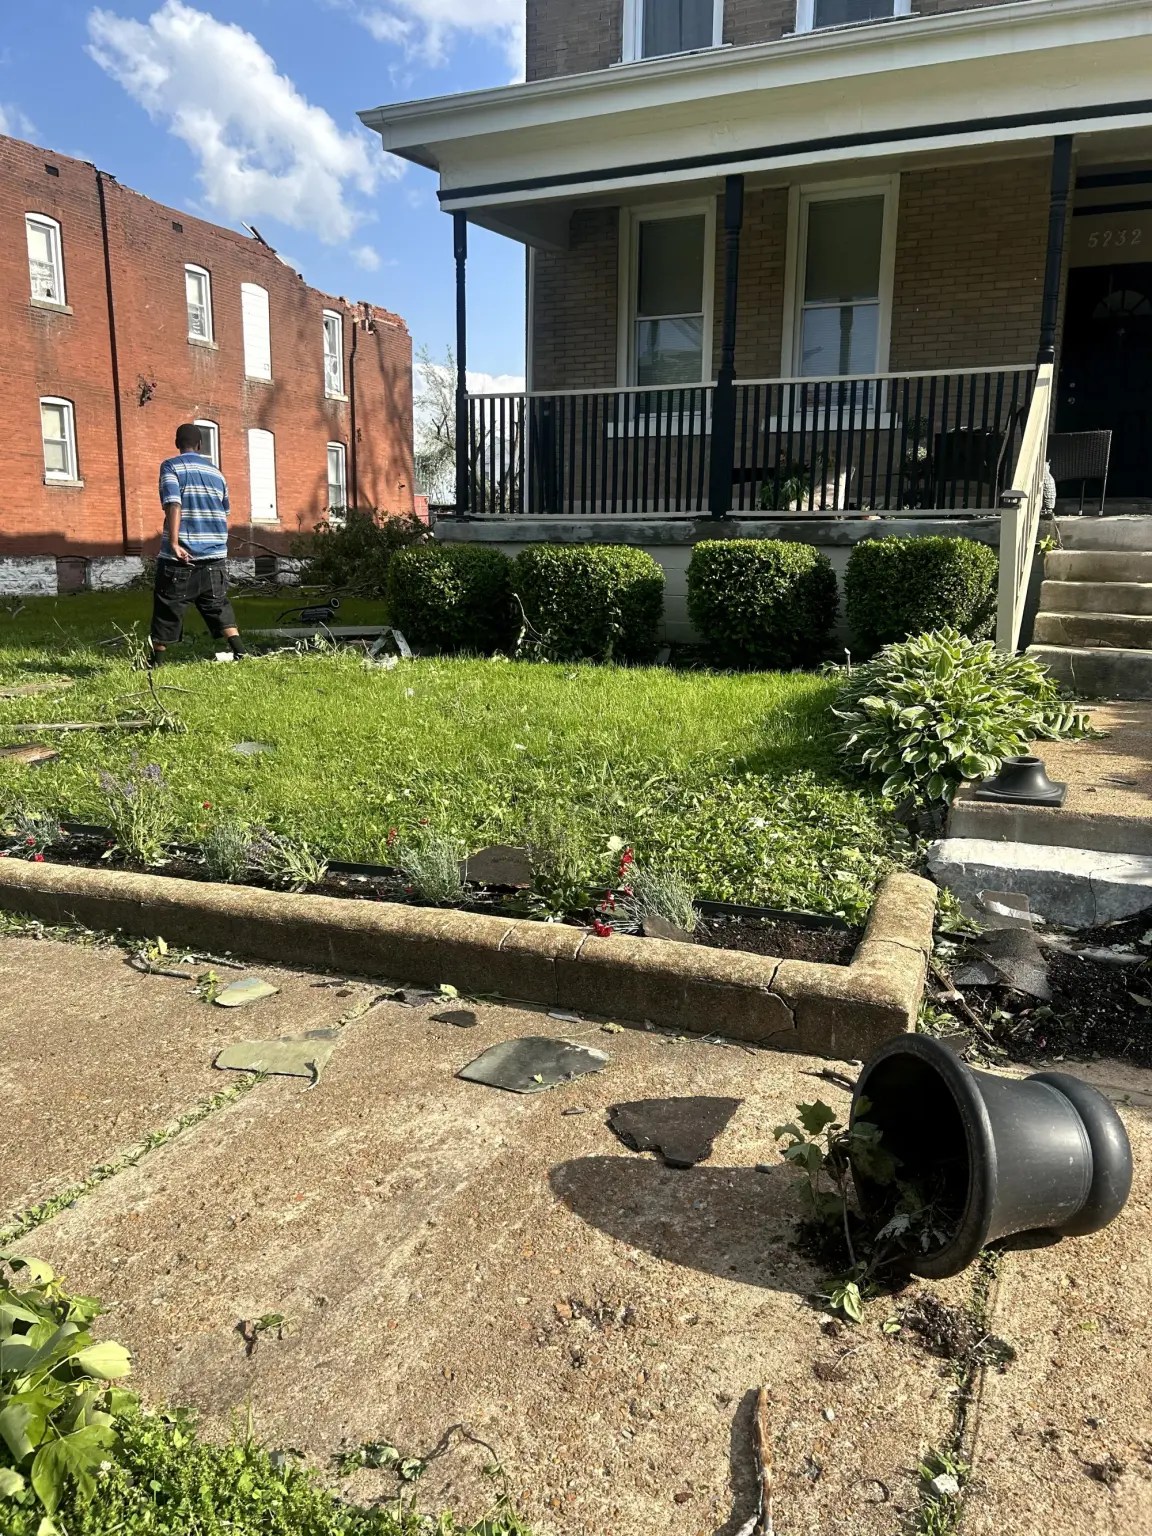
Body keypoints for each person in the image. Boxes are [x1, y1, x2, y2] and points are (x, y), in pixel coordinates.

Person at [150, 423, 246, 666]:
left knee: (167, 605)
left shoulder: (171, 466)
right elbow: (224, 511)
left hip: (182, 556)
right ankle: (240, 652)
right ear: (201, 446)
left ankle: (157, 661)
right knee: (218, 604)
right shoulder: (217, 474)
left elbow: (173, 503)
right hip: (214, 555)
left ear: (177, 443)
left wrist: (173, 542)